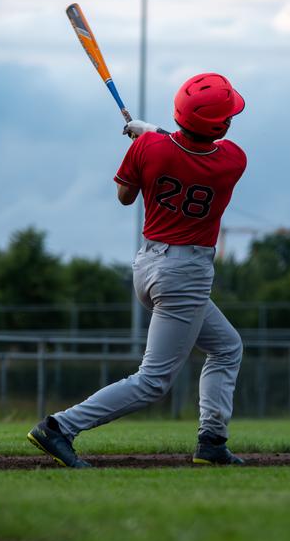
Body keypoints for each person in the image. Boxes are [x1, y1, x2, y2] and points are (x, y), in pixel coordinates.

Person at [28, 72, 247, 468]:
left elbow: (126, 196)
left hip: (148, 266)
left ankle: (212, 442)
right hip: (186, 275)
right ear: (218, 124)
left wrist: (146, 144)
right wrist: (152, 135)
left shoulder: (149, 147)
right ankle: (59, 427)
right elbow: (192, 150)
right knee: (153, 381)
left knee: (227, 347)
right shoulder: (233, 160)